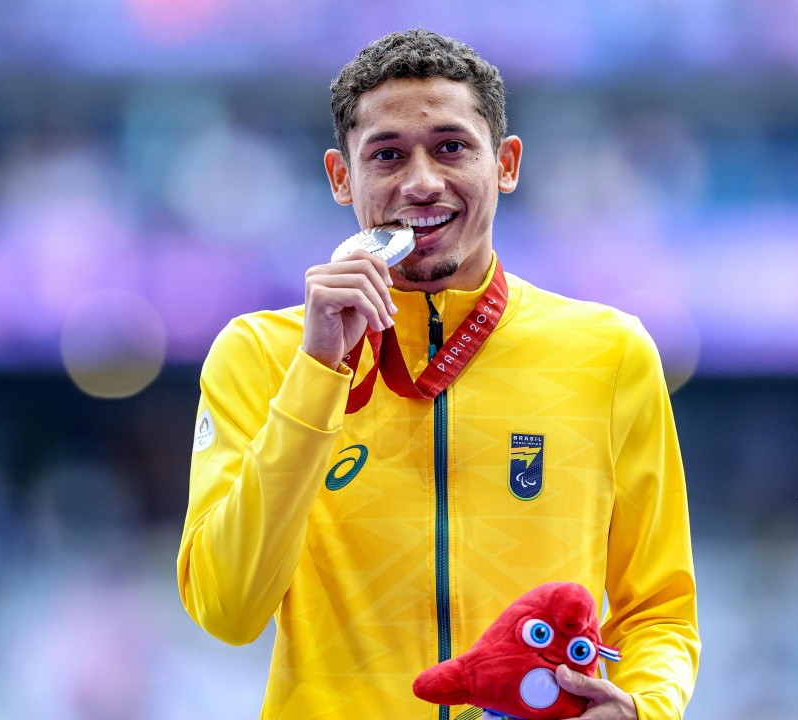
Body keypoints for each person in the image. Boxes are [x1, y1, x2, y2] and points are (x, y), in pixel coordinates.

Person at [177, 29, 699, 720]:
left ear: (505, 164)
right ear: (341, 177)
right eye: (387, 155)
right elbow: (228, 608)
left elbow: (661, 610)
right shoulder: (260, 355)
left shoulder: (609, 354)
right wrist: (316, 372)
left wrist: (642, 709)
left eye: (451, 147)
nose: (422, 182)